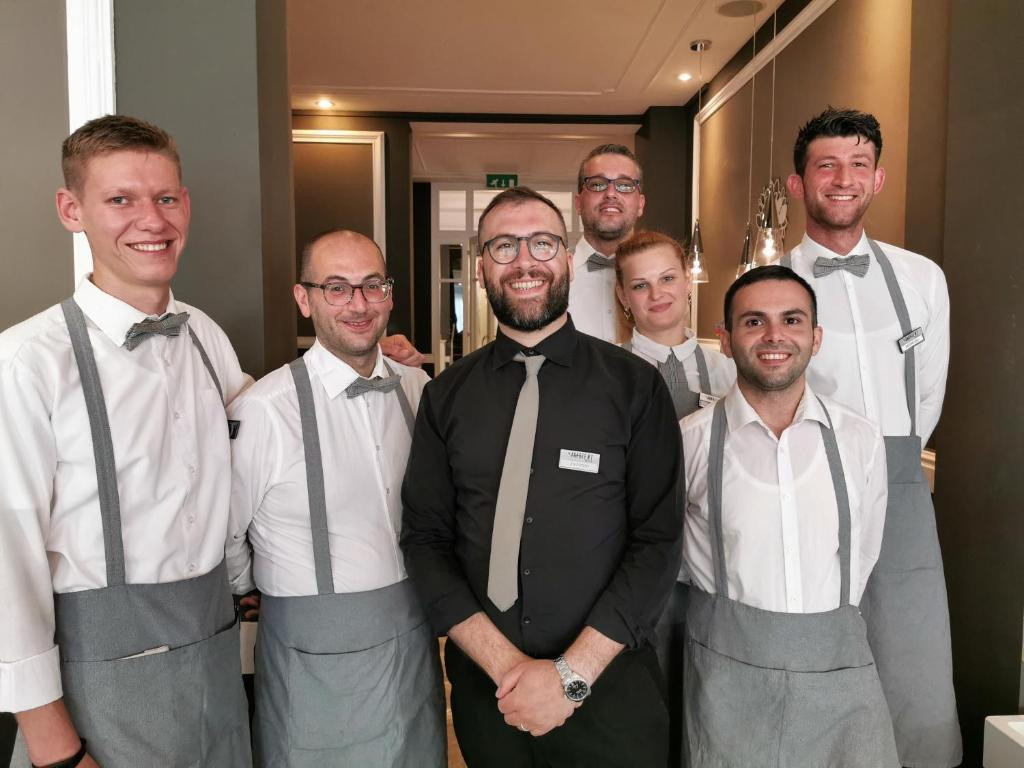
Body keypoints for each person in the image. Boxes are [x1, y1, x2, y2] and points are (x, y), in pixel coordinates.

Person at [0, 115, 251, 767]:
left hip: (216, 671)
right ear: (71, 210)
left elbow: (266, 427)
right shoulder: (26, 363)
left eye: (165, 198)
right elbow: (6, 571)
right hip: (96, 698)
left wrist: (368, 362)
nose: (152, 220)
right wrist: (57, 754)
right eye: (120, 199)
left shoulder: (205, 335)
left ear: (185, 205)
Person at [401, 187, 682, 767]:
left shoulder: (635, 387)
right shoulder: (445, 396)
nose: (524, 261)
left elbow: (656, 543)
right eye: (504, 246)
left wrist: (569, 676)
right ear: (481, 267)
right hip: (491, 693)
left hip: (610, 688)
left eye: (542, 244)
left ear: (568, 261)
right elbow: (425, 541)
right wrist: (510, 669)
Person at [226, 229, 446, 767]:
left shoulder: (419, 390)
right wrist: (262, 585)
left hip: (413, 636)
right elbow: (226, 536)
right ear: (304, 300)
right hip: (312, 651)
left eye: (372, 286)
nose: (358, 304)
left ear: (389, 296)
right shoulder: (265, 409)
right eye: (336, 288)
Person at [781, 107, 960, 767]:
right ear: (798, 183)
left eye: (858, 164)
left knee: (914, 667)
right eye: (826, 165)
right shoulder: (766, 285)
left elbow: (928, 396)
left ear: (877, 179)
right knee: (811, 657)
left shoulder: (923, 279)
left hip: (900, 490)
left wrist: (891, 465)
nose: (843, 179)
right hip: (802, 489)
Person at [681, 265, 898, 766]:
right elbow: (670, 560)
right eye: (754, 321)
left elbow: (865, 550)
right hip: (727, 679)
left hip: (841, 673)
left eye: (792, 320)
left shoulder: (860, 439)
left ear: (815, 338)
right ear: (725, 340)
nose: (774, 336)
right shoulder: (688, 441)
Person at [613, 229, 734, 765]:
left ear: (688, 281)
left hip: (714, 562)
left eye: (667, 278)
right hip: (635, 563)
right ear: (623, 296)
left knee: (709, 696)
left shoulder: (729, 369)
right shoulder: (607, 372)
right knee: (646, 696)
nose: (657, 293)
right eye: (640, 285)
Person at [567, 144, 647, 342]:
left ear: (640, 204)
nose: (611, 193)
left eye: (625, 185)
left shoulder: (663, 282)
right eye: (597, 184)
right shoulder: (552, 278)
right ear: (578, 203)